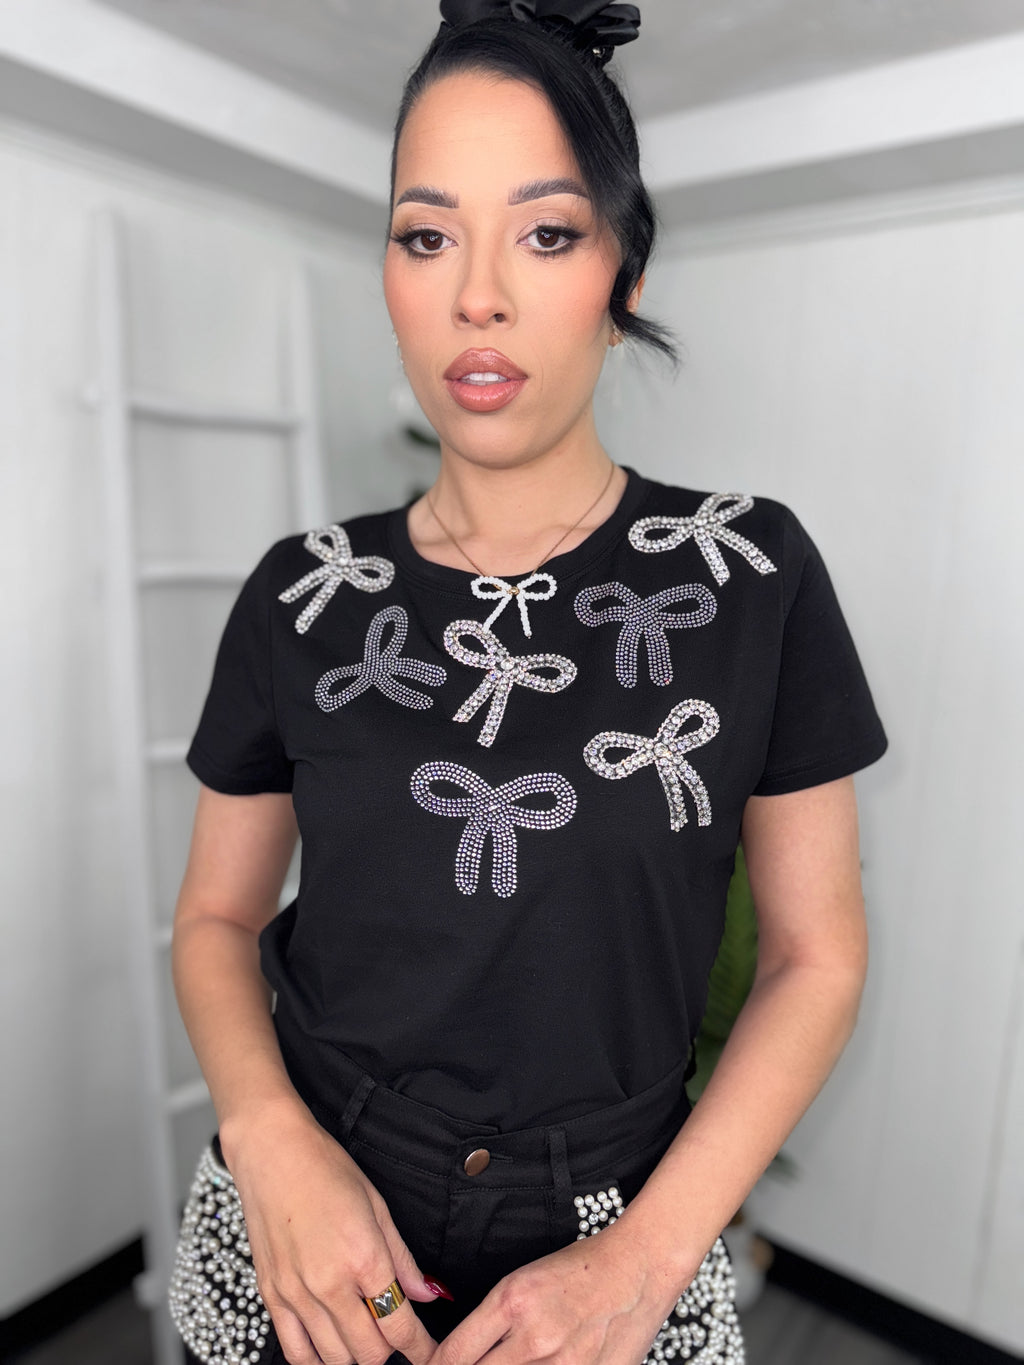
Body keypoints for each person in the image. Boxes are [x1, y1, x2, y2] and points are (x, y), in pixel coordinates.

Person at [168, 4, 888, 1364]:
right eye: (426, 235)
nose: (477, 296)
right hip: (317, 1211)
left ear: (624, 275)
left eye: (546, 233)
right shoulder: (305, 592)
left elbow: (816, 956)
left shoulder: (750, 572)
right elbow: (215, 915)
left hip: (621, 1236)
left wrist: (644, 1261)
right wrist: (268, 1137)